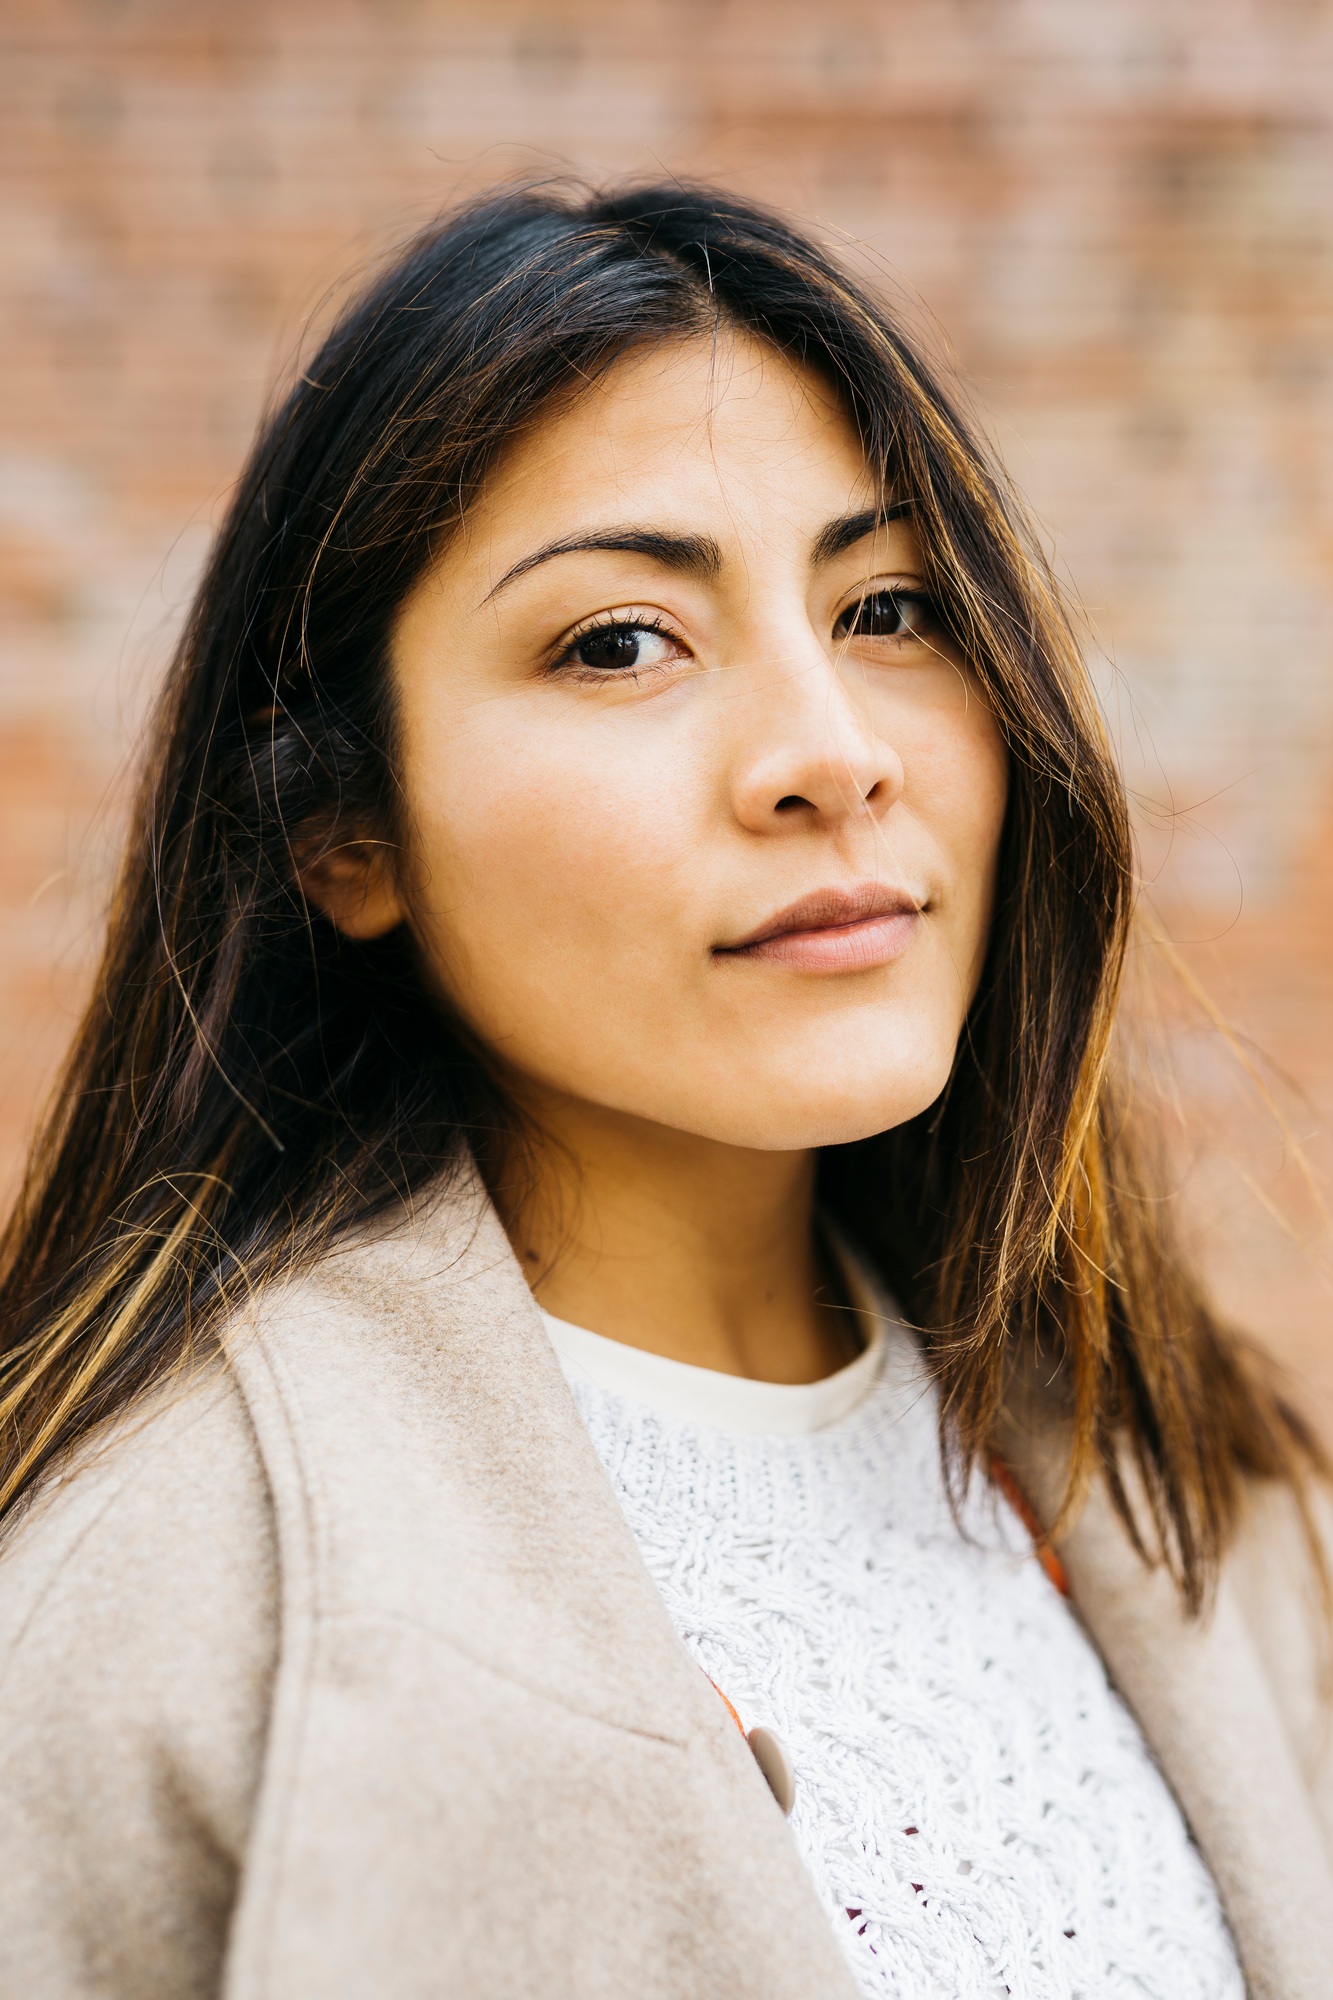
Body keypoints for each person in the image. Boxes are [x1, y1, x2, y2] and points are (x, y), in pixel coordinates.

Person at [0, 181, 1328, 2000]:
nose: (829, 755)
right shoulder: (156, 1614)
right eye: (619, 641)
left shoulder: (1186, 1472)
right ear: (342, 829)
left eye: (886, 610)